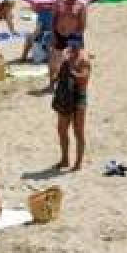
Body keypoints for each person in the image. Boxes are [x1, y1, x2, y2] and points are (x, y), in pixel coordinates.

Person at [53, 39, 91, 171]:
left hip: (78, 98)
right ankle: (65, 159)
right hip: (64, 97)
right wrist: (58, 74)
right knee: (61, 129)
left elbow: (84, 78)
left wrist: (71, 71)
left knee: (78, 131)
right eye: (71, 44)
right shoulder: (66, 54)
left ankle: (78, 163)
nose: (72, 48)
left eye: (75, 45)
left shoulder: (84, 59)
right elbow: (59, 73)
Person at [49, 0, 86, 85]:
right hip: (59, 34)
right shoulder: (59, 3)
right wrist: (53, 35)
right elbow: (53, 20)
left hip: (74, 35)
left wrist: (75, 40)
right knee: (54, 59)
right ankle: (52, 83)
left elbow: (82, 25)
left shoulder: (81, 6)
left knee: (74, 59)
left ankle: (71, 82)